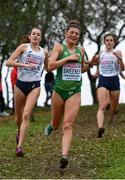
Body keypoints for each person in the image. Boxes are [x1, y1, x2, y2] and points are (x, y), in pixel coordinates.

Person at [44, 20, 99, 169]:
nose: (74, 35)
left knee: (67, 125)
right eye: (71, 33)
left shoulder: (81, 50)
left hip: (75, 91)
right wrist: (67, 58)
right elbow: (50, 66)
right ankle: (51, 125)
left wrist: (91, 64)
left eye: (77, 34)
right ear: (66, 34)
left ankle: (64, 156)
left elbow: (80, 70)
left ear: (79, 36)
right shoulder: (59, 47)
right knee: (56, 125)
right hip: (59, 90)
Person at [6, 27, 49, 156]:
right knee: (18, 118)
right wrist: (24, 65)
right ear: (30, 37)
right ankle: (19, 131)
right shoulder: (23, 48)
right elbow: (9, 62)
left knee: (26, 115)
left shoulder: (44, 53)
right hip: (20, 85)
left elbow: (48, 68)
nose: (35, 36)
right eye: (33, 34)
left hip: (35, 85)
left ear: (40, 38)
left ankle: (19, 147)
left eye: (38, 34)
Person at [96, 33, 125, 138]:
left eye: (111, 40)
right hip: (103, 79)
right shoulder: (101, 53)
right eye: (107, 40)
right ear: (104, 42)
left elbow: (122, 68)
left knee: (114, 106)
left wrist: (120, 59)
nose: (109, 42)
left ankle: (112, 117)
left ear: (114, 42)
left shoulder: (117, 52)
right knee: (102, 106)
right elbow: (99, 64)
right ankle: (100, 127)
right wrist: (96, 72)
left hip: (114, 80)